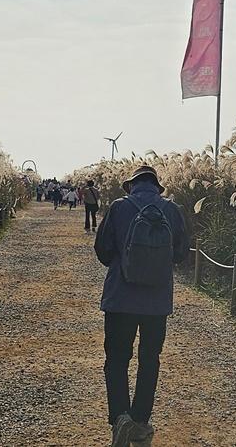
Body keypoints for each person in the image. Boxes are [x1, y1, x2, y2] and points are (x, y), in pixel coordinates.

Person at [94, 165, 189, 447]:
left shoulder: (118, 207)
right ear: (156, 186)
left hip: (120, 298)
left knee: (117, 359)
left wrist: (123, 260)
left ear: (131, 185)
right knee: (150, 360)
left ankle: (121, 418)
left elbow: (102, 250)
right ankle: (140, 422)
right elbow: (182, 253)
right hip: (157, 302)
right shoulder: (172, 210)